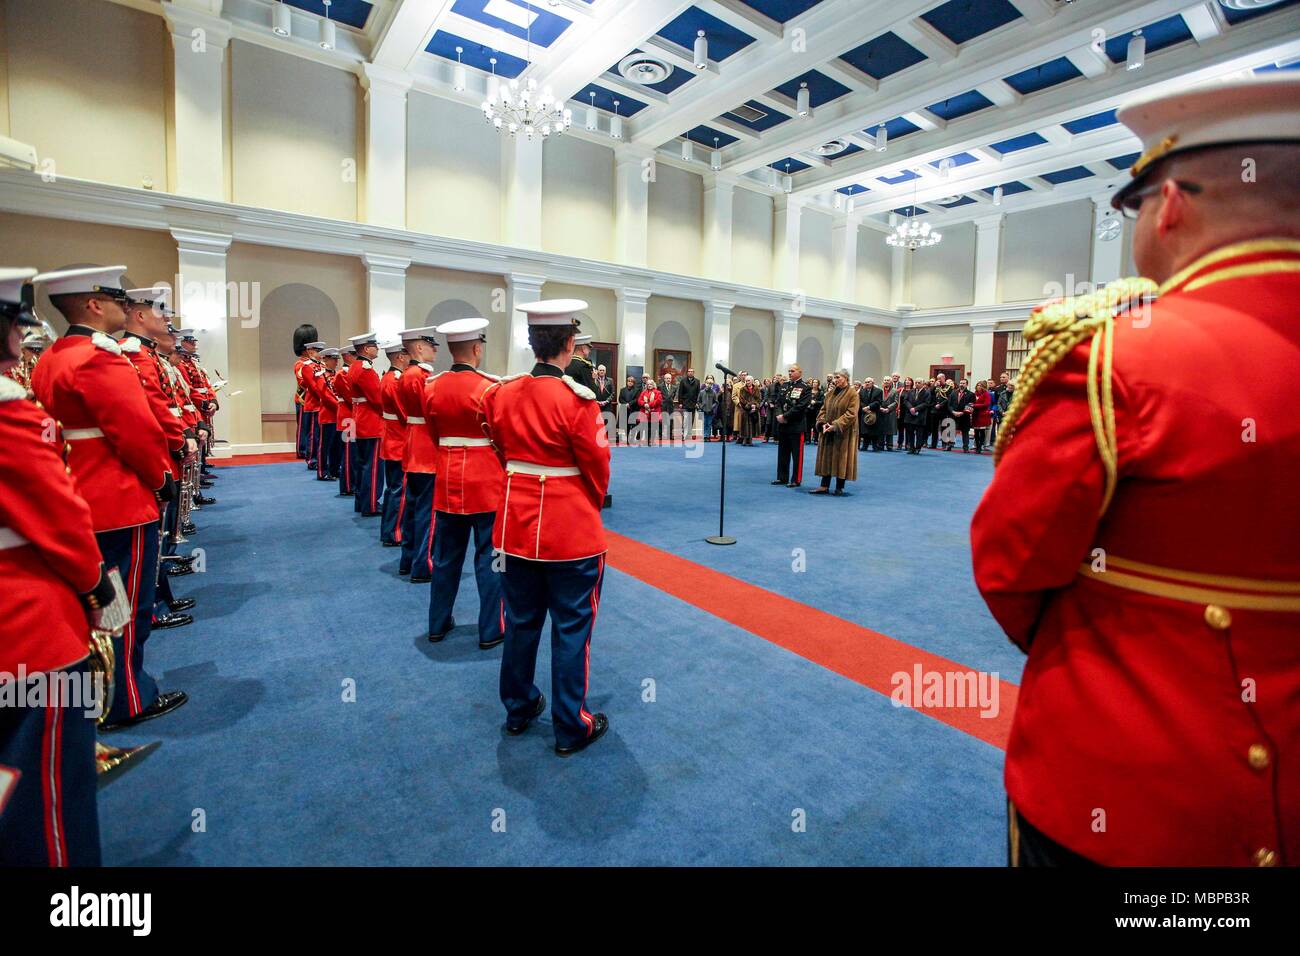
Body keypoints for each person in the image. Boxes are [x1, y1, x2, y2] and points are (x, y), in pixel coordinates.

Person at [973, 74, 1300, 867]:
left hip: (1133, 786)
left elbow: (1012, 561)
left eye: (1133, 206)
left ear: (1171, 205)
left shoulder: (1116, 355)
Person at [30, 266, 187, 731]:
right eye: (117, 300)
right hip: (118, 498)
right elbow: (136, 433)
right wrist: (161, 479)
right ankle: (126, 699)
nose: (126, 307)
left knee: (96, 603)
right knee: (125, 605)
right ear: (94, 305)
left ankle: (98, 696)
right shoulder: (101, 358)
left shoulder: (52, 357)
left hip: (76, 493)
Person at [0, 267, 120, 866]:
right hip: (26, 624)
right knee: (47, 801)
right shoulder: (8, 411)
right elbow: (57, 514)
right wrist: (95, 583)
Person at [481, 299, 611, 757]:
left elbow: (498, 445)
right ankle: (570, 725)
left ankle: (518, 708)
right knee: (572, 627)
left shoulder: (500, 393)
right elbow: (598, 469)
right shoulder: (578, 401)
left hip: (513, 528)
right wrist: (584, 503)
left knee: (520, 622)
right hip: (569, 533)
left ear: (532, 342)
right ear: (570, 343)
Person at [423, 317, 505, 648]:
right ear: (476, 348)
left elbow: (433, 435)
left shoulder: (432, 387)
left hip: (447, 481)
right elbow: (502, 438)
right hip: (486, 483)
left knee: (445, 557)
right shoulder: (490, 388)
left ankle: (437, 623)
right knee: (492, 559)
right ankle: (491, 629)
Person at [395, 327, 440, 582]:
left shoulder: (407, 374)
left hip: (413, 445)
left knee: (412, 508)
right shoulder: (420, 376)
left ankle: (408, 559)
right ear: (420, 347)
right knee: (426, 511)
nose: (435, 350)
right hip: (426, 448)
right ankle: (423, 565)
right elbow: (430, 413)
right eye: (431, 345)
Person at [347, 332, 385, 517]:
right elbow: (377, 399)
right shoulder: (365, 369)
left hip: (359, 418)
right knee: (373, 466)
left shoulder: (355, 366)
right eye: (374, 346)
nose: (377, 349)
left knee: (363, 464)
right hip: (370, 422)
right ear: (366, 348)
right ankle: (370, 504)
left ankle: (361, 501)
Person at [378, 340, 410, 547]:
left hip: (392, 439)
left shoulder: (388, 377)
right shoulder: (394, 381)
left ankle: (389, 530)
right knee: (398, 489)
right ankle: (394, 532)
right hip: (398, 441)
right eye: (407, 354)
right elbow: (404, 414)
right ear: (400, 356)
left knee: (393, 489)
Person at [811, 369, 860, 496]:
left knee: (842, 458)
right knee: (826, 457)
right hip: (827, 431)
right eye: (834, 377)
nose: (835, 380)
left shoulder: (853, 394)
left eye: (838, 377)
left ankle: (839, 487)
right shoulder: (830, 393)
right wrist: (822, 423)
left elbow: (851, 413)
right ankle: (824, 485)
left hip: (844, 432)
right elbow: (823, 410)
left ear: (846, 378)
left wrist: (835, 425)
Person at [772, 364, 812, 487]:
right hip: (783, 426)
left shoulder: (805, 387)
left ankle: (796, 479)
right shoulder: (784, 386)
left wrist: (785, 416)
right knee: (782, 453)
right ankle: (782, 477)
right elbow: (778, 402)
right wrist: (779, 415)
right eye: (789, 371)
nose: (790, 373)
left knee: (796, 455)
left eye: (793, 371)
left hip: (796, 425)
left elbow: (801, 406)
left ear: (800, 372)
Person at [292, 324, 319, 460]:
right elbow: (303, 382)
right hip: (304, 399)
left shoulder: (315, 362)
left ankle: (311, 449)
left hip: (315, 400)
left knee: (313, 428)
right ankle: (302, 449)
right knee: (304, 426)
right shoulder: (300, 364)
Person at [949, 378, 975, 452]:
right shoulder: (953, 393)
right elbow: (949, 404)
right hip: (954, 415)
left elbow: (970, 406)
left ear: (967, 385)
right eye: (960, 383)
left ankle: (965, 447)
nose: (961, 385)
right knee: (952, 430)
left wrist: (962, 412)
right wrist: (953, 412)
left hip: (964, 416)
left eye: (963, 383)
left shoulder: (971, 394)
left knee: (965, 432)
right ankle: (949, 446)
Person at [901, 377, 924, 454]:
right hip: (910, 415)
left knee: (919, 433)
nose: (917, 384)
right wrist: (911, 408)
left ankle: (918, 448)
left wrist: (915, 409)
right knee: (910, 432)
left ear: (922, 384)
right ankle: (911, 447)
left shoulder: (926, 392)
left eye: (919, 383)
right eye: (916, 382)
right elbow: (905, 400)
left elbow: (926, 403)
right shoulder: (910, 391)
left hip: (920, 415)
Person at [858, 377, 883, 452]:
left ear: (873, 383)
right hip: (864, 412)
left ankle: (875, 446)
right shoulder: (861, 391)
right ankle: (864, 446)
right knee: (865, 431)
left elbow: (878, 402)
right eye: (866, 382)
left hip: (874, 412)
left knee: (874, 431)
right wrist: (864, 408)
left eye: (869, 382)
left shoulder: (879, 391)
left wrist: (869, 407)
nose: (867, 383)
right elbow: (860, 401)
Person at [676, 366, 701, 440]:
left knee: (691, 420)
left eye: (691, 372)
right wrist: (680, 402)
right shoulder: (683, 381)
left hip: (693, 404)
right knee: (686, 420)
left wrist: (697, 402)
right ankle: (684, 435)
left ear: (693, 373)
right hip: (685, 403)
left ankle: (689, 435)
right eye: (689, 371)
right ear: (687, 373)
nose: (690, 373)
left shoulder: (697, 381)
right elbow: (680, 392)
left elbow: (698, 393)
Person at [737, 375, 760, 446]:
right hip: (745, 409)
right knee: (745, 424)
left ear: (752, 381)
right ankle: (744, 438)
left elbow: (758, 399)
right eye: (746, 381)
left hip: (754, 409)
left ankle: (750, 439)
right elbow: (742, 399)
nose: (747, 382)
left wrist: (755, 405)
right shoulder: (742, 389)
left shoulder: (756, 389)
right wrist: (749, 405)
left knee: (752, 424)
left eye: (748, 380)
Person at [637, 374, 661, 442]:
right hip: (645, 411)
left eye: (651, 384)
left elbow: (658, 401)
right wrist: (644, 404)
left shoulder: (657, 392)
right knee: (646, 426)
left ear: (653, 385)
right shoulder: (643, 392)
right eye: (648, 384)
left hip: (654, 411)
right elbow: (639, 400)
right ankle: (647, 440)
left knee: (653, 427)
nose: (649, 385)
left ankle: (652, 440)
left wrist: (649, 404)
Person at [970, 380, 992, 455]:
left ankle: (980, 447)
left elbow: (986, 404)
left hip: (982, 415)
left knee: (982, 432)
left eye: (980, 385)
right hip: (975, 415)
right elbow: (971, 402)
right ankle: (977, 446)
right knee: (976, 432)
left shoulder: (986, 394)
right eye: (978, 385)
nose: (979, 387)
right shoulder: (974, 394)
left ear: (984, 387)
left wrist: (974, 405)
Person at [616, 374, 639, 445]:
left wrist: (629, 404)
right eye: (629, 381)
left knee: (633, 425)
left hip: (633, 409)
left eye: (631, 381)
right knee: (625, 425)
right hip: (625, 410)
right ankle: (627, 438)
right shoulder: (622, 390)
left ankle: (632, 438)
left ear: (633, 383)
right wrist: (626, 404)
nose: (630, 382)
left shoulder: (637, 390)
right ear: (627, 382)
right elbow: (620, 399)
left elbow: (637, 399)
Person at [879, 378, 899, 452]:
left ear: (891, 382)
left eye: (888, 380)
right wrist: (880, 408)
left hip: (890, 412)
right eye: (885, 380)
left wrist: (888, 408)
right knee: (881, 429)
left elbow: (896, 402)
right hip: (880, 411)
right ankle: (880, 445)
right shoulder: (879, 390)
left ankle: (889, 445)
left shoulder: (895, 391)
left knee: (890, 430)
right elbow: (876, 400)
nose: (886, 382)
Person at [698, 374, 718, 441]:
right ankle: (704, 436)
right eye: (707, 383)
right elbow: (698, 401)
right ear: (705, 383)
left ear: (712, 385)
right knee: (704, 423)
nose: (708, 385)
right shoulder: (701, 392)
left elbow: (716, 402)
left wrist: (712, 407)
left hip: (710, 411)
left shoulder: (714, 392)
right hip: (703, 410)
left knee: (709, 424)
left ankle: (708, 436)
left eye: (710, 384)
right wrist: (701, 406)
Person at [805, 378, 823, 445]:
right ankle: (808, 439)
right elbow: (805, 400)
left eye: (816, 382)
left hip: (816, 411)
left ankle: (816, 439)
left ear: (818, 384)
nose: (814, 383)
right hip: (808, 411)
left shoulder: (821, 392)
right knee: (808, 425)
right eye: (813, 382)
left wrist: (815, 402)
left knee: (815, 425)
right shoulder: (808, 391)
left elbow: (822, 402)